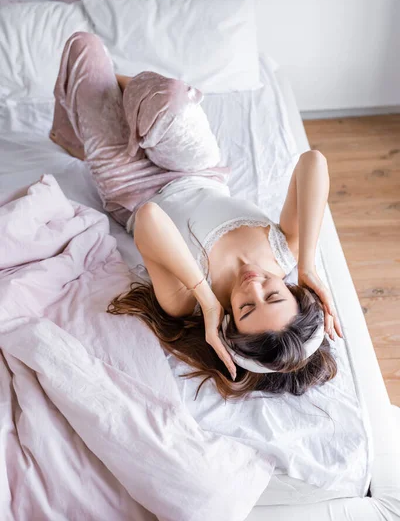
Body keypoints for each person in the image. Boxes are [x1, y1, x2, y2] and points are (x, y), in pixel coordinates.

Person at [51, 31, 343, 401]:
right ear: (293, 293)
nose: (253, 285)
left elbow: (149, 218)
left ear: (230, 322)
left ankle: (82, 124)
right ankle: (112, 105)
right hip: (196, 169)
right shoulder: (284, 252)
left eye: (247, 307)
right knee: (168, 97)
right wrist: (308, 266)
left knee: (83, 45)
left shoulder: (186, 300)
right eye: (273, 295)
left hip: (131, 186)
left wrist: (206, 298)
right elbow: (312, 162)